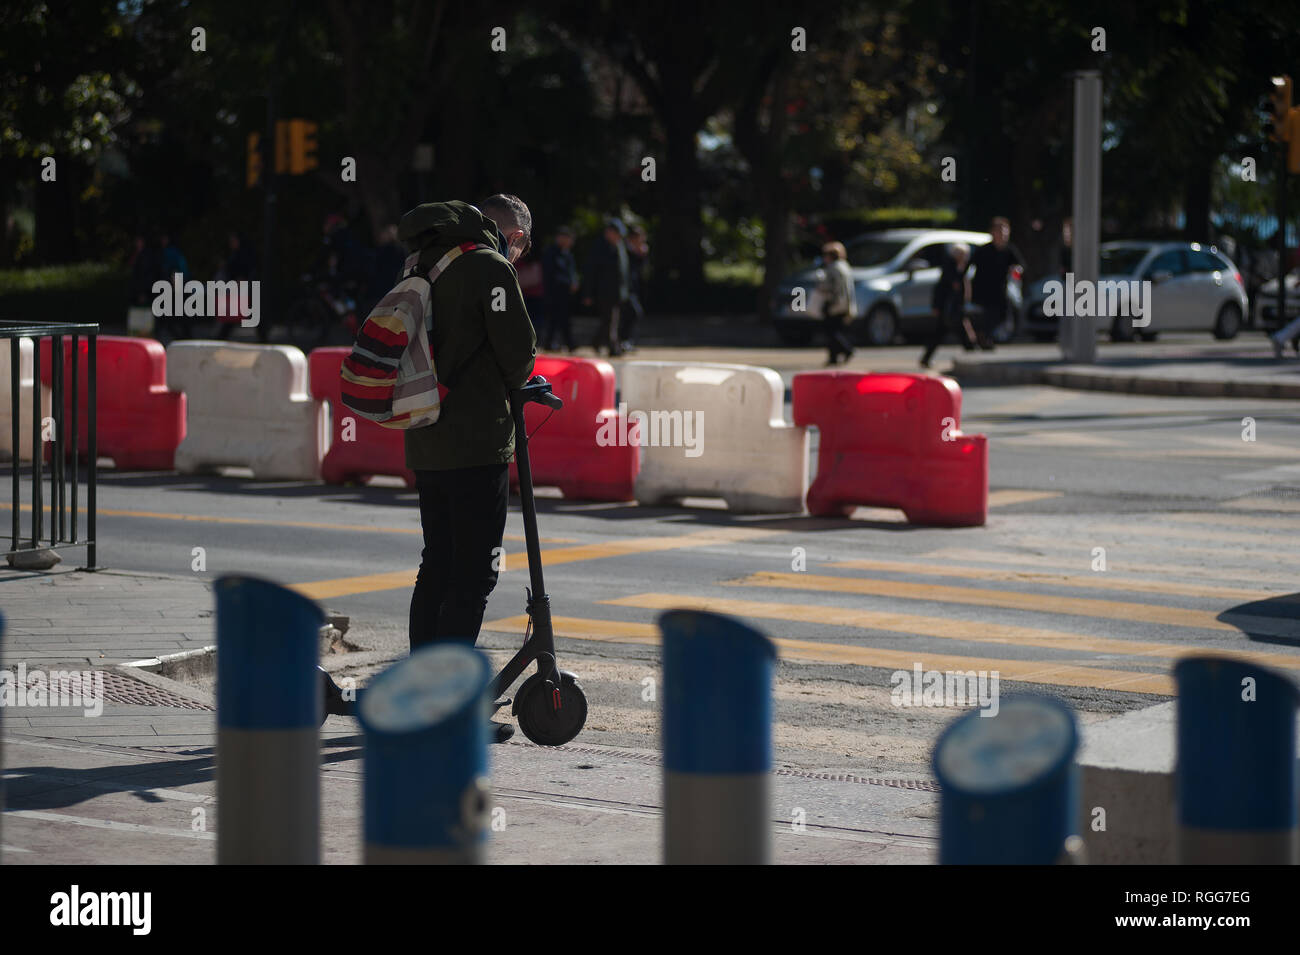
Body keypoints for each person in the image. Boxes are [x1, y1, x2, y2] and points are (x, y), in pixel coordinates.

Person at [399, 194, 537, 743]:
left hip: (424, 435)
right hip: (475, 440)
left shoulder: (422, 259)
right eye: (521, 244)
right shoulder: (489, 264)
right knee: (474, 572)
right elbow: (519, 353)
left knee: (438, 562)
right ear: (512, 234)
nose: (519, 253)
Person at [967, 216, 1023, 351]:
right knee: (986, 316)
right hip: (983, 289)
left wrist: (1016, 270)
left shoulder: (1009, 250)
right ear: (992, 233)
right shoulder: (984, 250)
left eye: (1005, 232)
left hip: (1000, 289)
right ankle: (985, 339)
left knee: (1001, 314)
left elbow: (1020, 265)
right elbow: (969, 267)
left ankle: (986, 338)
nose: (1003, 235)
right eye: (999, 231)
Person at [919, 242, 975, 369]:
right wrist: (936, 306)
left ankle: (926, 358)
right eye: (963, 255)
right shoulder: (951, 268)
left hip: (953, 308)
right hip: (949, 308)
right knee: (953, 333)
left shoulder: (959, 268)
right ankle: (972, 355)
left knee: (941, 333)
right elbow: (942, 289)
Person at [582, 217, 630, 357]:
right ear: (609, 232)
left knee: (609, 320)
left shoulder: (619, 246)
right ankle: (613, 347)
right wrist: (588, 293)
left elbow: (624, 271)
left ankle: (597, 342)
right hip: (604, 292)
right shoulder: (599, 248)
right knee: (610, 320)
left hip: (618, 291)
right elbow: (591, 272)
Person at [541, 225, 579, 351]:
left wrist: (573, 282)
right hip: (554, 292)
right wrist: (568, 283)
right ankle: (557, 343)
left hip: (565, 294)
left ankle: (565, 343)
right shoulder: (551, 253)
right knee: (554, 320)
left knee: (563, 319)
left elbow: (571, 272)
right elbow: (551, 274)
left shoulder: (567, 254)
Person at [819, 240, 855, 365]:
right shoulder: (845, 266)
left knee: (831, 331)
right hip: (845, 303)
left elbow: (829, 287)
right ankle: (833, 357)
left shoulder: (832, 269)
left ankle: (846, 349)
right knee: (837, 330)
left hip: (835, 304)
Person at [622, 225, 649, 352]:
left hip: (633, 287)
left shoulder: (638, 251)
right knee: (633, 312)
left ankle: (625, 341)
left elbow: (641, 270)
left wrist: (642, 256)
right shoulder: (624, 250)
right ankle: (623, 340)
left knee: (630, 314)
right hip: (624, 287)